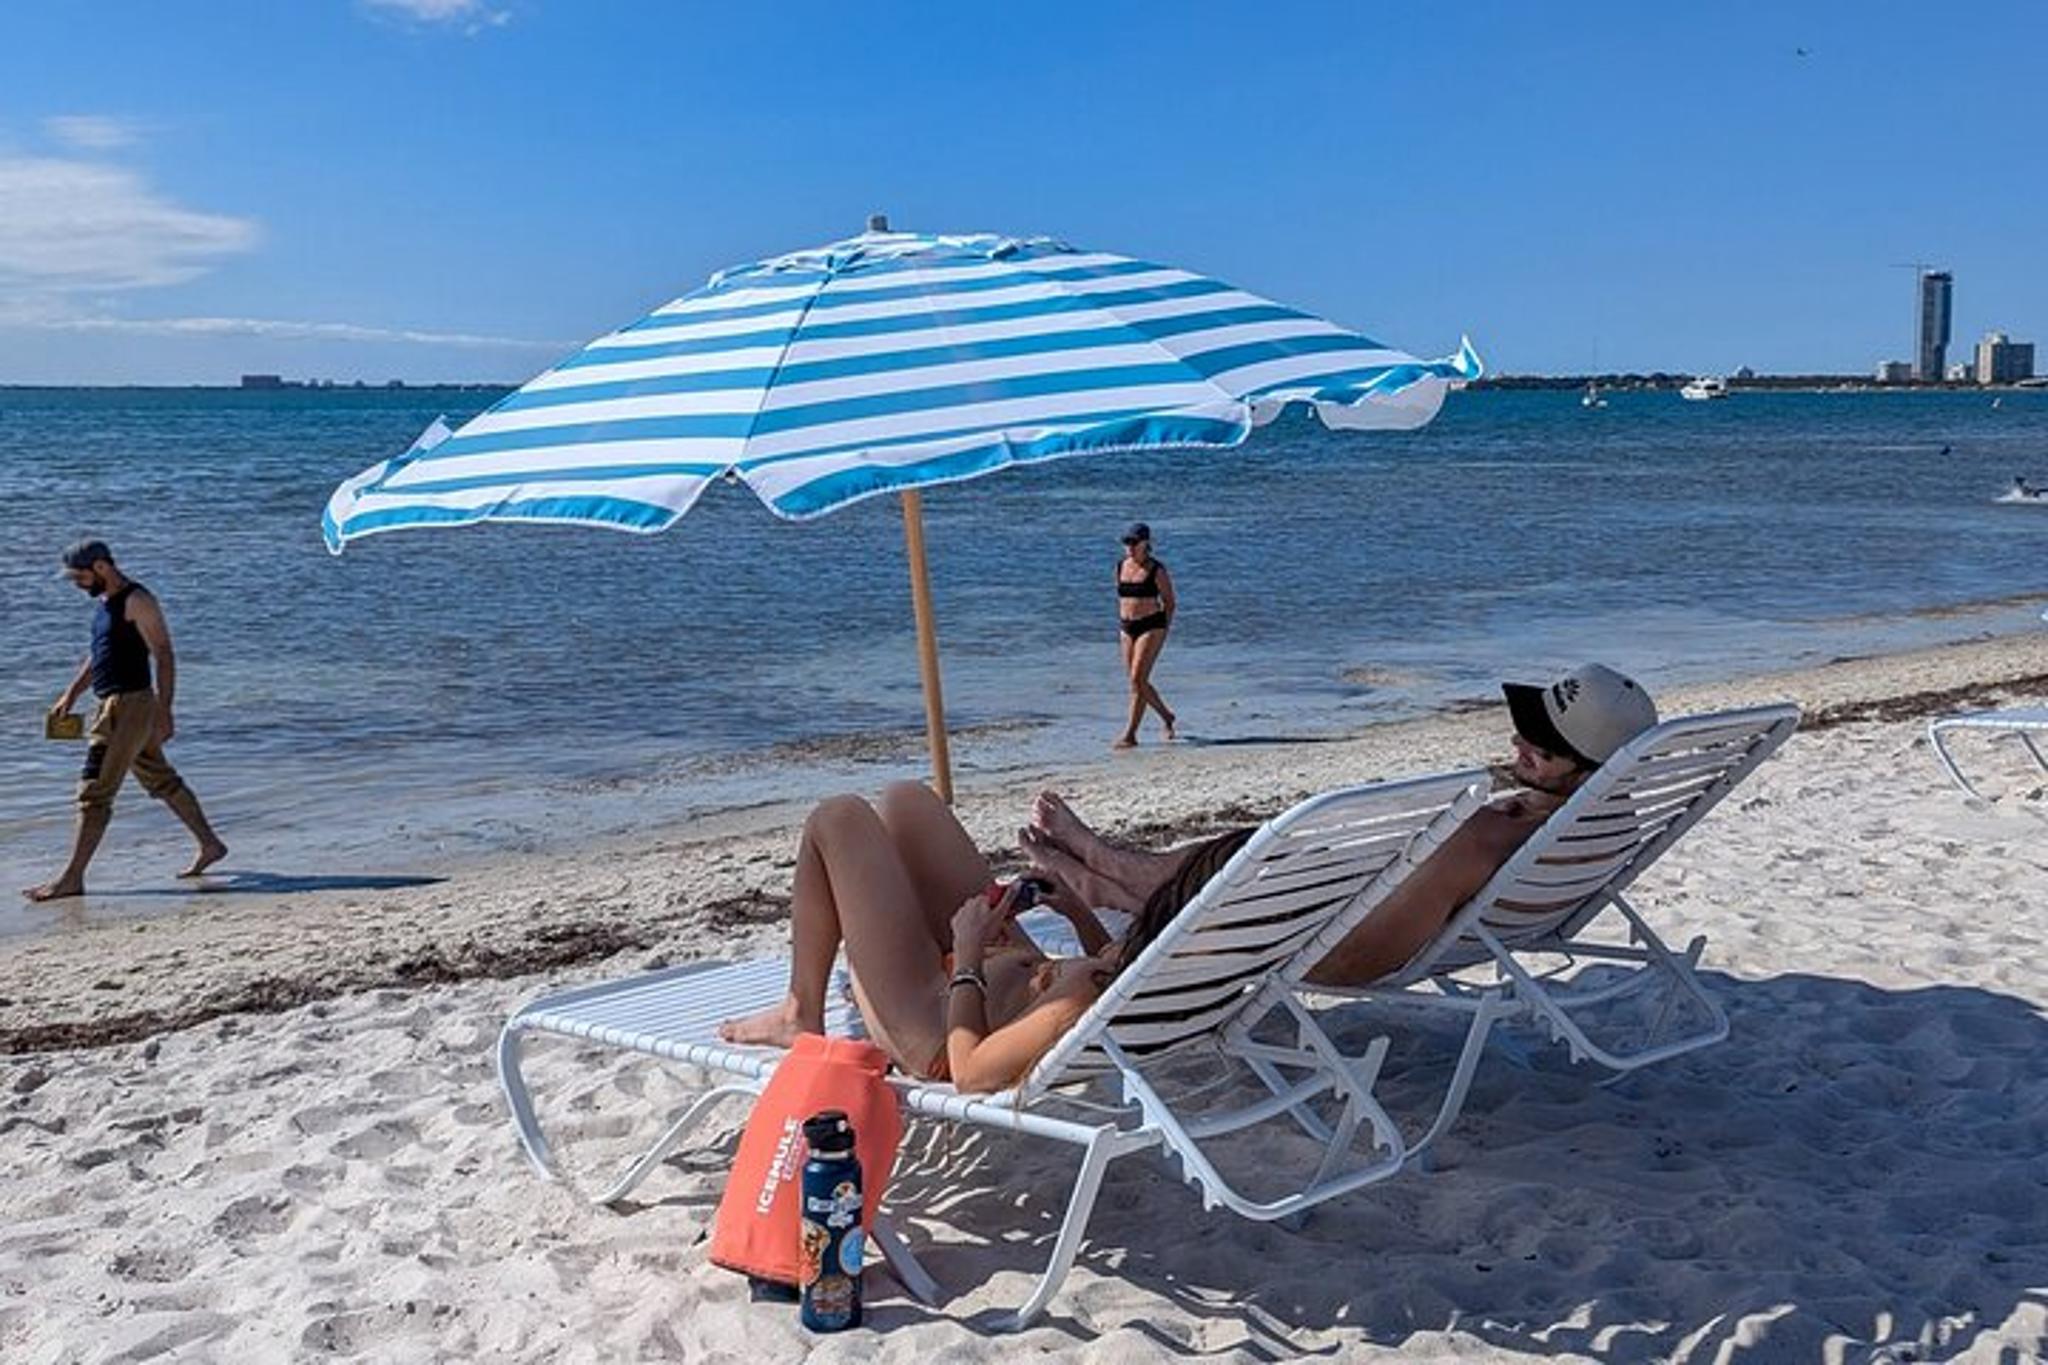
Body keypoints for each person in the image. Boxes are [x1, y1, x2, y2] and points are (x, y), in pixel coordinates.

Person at [1020, 663, 1659, 987]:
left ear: (1585, 772)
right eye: (1527, 730)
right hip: (1352, 896)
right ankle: (1106, 872)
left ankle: (1108, 873)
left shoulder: (1484, 837)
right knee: (1250, 852)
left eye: (1540, 748)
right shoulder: (1602, 824)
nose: (1519, 744)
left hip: (1325, 932)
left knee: (1247, 858)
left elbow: (1363, 954)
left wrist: (1296, 941)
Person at [717, 781, 1246, 1094]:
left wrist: (968, 953)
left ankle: (799, 1012)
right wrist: (1078, 912)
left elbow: (970, 1072)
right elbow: (1115, 973)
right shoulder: (1181, 966)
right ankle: (923, 933)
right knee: (908, 801)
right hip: (1005, 971)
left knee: (838, 819)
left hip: (936, 1023)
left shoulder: (1079, 998)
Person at [24, 540, 228, 903]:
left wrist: (165, 710)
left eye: (80, 576)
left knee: (94, 793)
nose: (77, 584)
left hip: (129, 707)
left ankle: (72, 878)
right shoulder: (105, 604)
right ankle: (210, 844)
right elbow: (99, 654)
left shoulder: (138, 601)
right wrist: (71, 694)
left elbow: (163, 654)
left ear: (101, 567)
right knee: (160, 778)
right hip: (112, 705)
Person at [1114, 521, 1176, 749]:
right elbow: (1121, 598)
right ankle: (1167, 716)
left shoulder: (1156, 569)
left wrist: (1165, 629)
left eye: (1133, 542)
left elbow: (1170, 602)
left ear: (1145, 543)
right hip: (1127, 627)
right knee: (1135, 682)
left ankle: (1130, 735)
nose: (1129, 547)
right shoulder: (1121, 566)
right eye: (1126, 542)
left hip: (1152, 625)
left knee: (1137, 679)